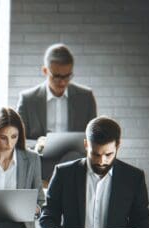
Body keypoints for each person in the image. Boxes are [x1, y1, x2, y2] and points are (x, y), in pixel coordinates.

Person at [17, 43, 97, 179]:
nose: (63, 82)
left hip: (74, 160)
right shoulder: (28, 99)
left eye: (67, 76)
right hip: (40, 160)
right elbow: (18, 139)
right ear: (45, 71)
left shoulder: (85, 97)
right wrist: (38, 144)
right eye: (57, 76)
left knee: (75, 160)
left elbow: (94, 137)